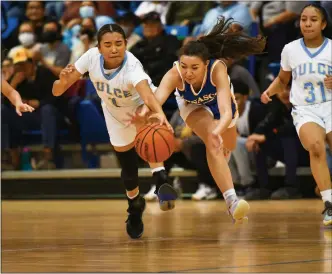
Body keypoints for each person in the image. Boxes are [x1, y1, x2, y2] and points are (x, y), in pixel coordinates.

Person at [52, 24, 178, 239]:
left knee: (148, 128)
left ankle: (161, 177)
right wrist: (62, 81)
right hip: (115, 115)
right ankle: (135, 206)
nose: (114, 49)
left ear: (125, 44)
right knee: (128, 168)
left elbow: (148, 96)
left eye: (119, 44)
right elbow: (57, 91)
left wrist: (160, 115)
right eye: (108, 44)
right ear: (99, 48)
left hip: (141, 108)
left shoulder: (132, 68)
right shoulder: (90, 57)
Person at [137, 17, 266, 223]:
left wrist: (218, 129)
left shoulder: (218, 69)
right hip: (193, 106)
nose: (188, 72)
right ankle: (232, 202)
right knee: (213, 144)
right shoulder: (175, 74)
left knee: (227, 145)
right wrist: (146, 112)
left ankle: (222, 181)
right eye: (184, 66)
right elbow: (157, 97)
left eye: (194, 68)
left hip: (223, 109)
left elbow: (224, 111)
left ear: (206, 64)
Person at [261, 3, 332, 226]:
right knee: (317, 147)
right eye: (303, 19)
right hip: (305, 109)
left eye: (313, 19)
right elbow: (283, 79)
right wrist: (269, 92)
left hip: (331, 105)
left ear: (323, 24)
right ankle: (329, 204)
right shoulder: (290, 49)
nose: (307, 23)